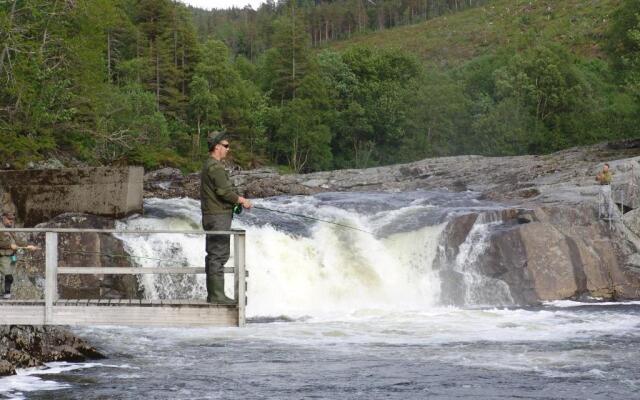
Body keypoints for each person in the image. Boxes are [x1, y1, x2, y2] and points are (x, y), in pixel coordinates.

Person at [200, 131, 252, 304]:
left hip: (213, 215)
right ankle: (217, 296)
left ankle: (215, 295)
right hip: (218, 216)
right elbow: (223, 191)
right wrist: (242, 200)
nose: (228, 149)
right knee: (218, 255)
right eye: (226, 146)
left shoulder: (210, 165)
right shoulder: (215, 167)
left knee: (215, 255)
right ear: (217, 147)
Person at [0, 210, 37, 299]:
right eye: (9, 219)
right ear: (3, 218)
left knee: (9, 276)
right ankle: (6, 295)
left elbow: (18, 241)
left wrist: (28, 246)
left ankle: (4, 294)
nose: (11, 221)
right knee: (8, 276)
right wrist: (9, 245)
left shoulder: (11, 229)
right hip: (3, 256)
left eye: (12, 219)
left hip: (11, 256)